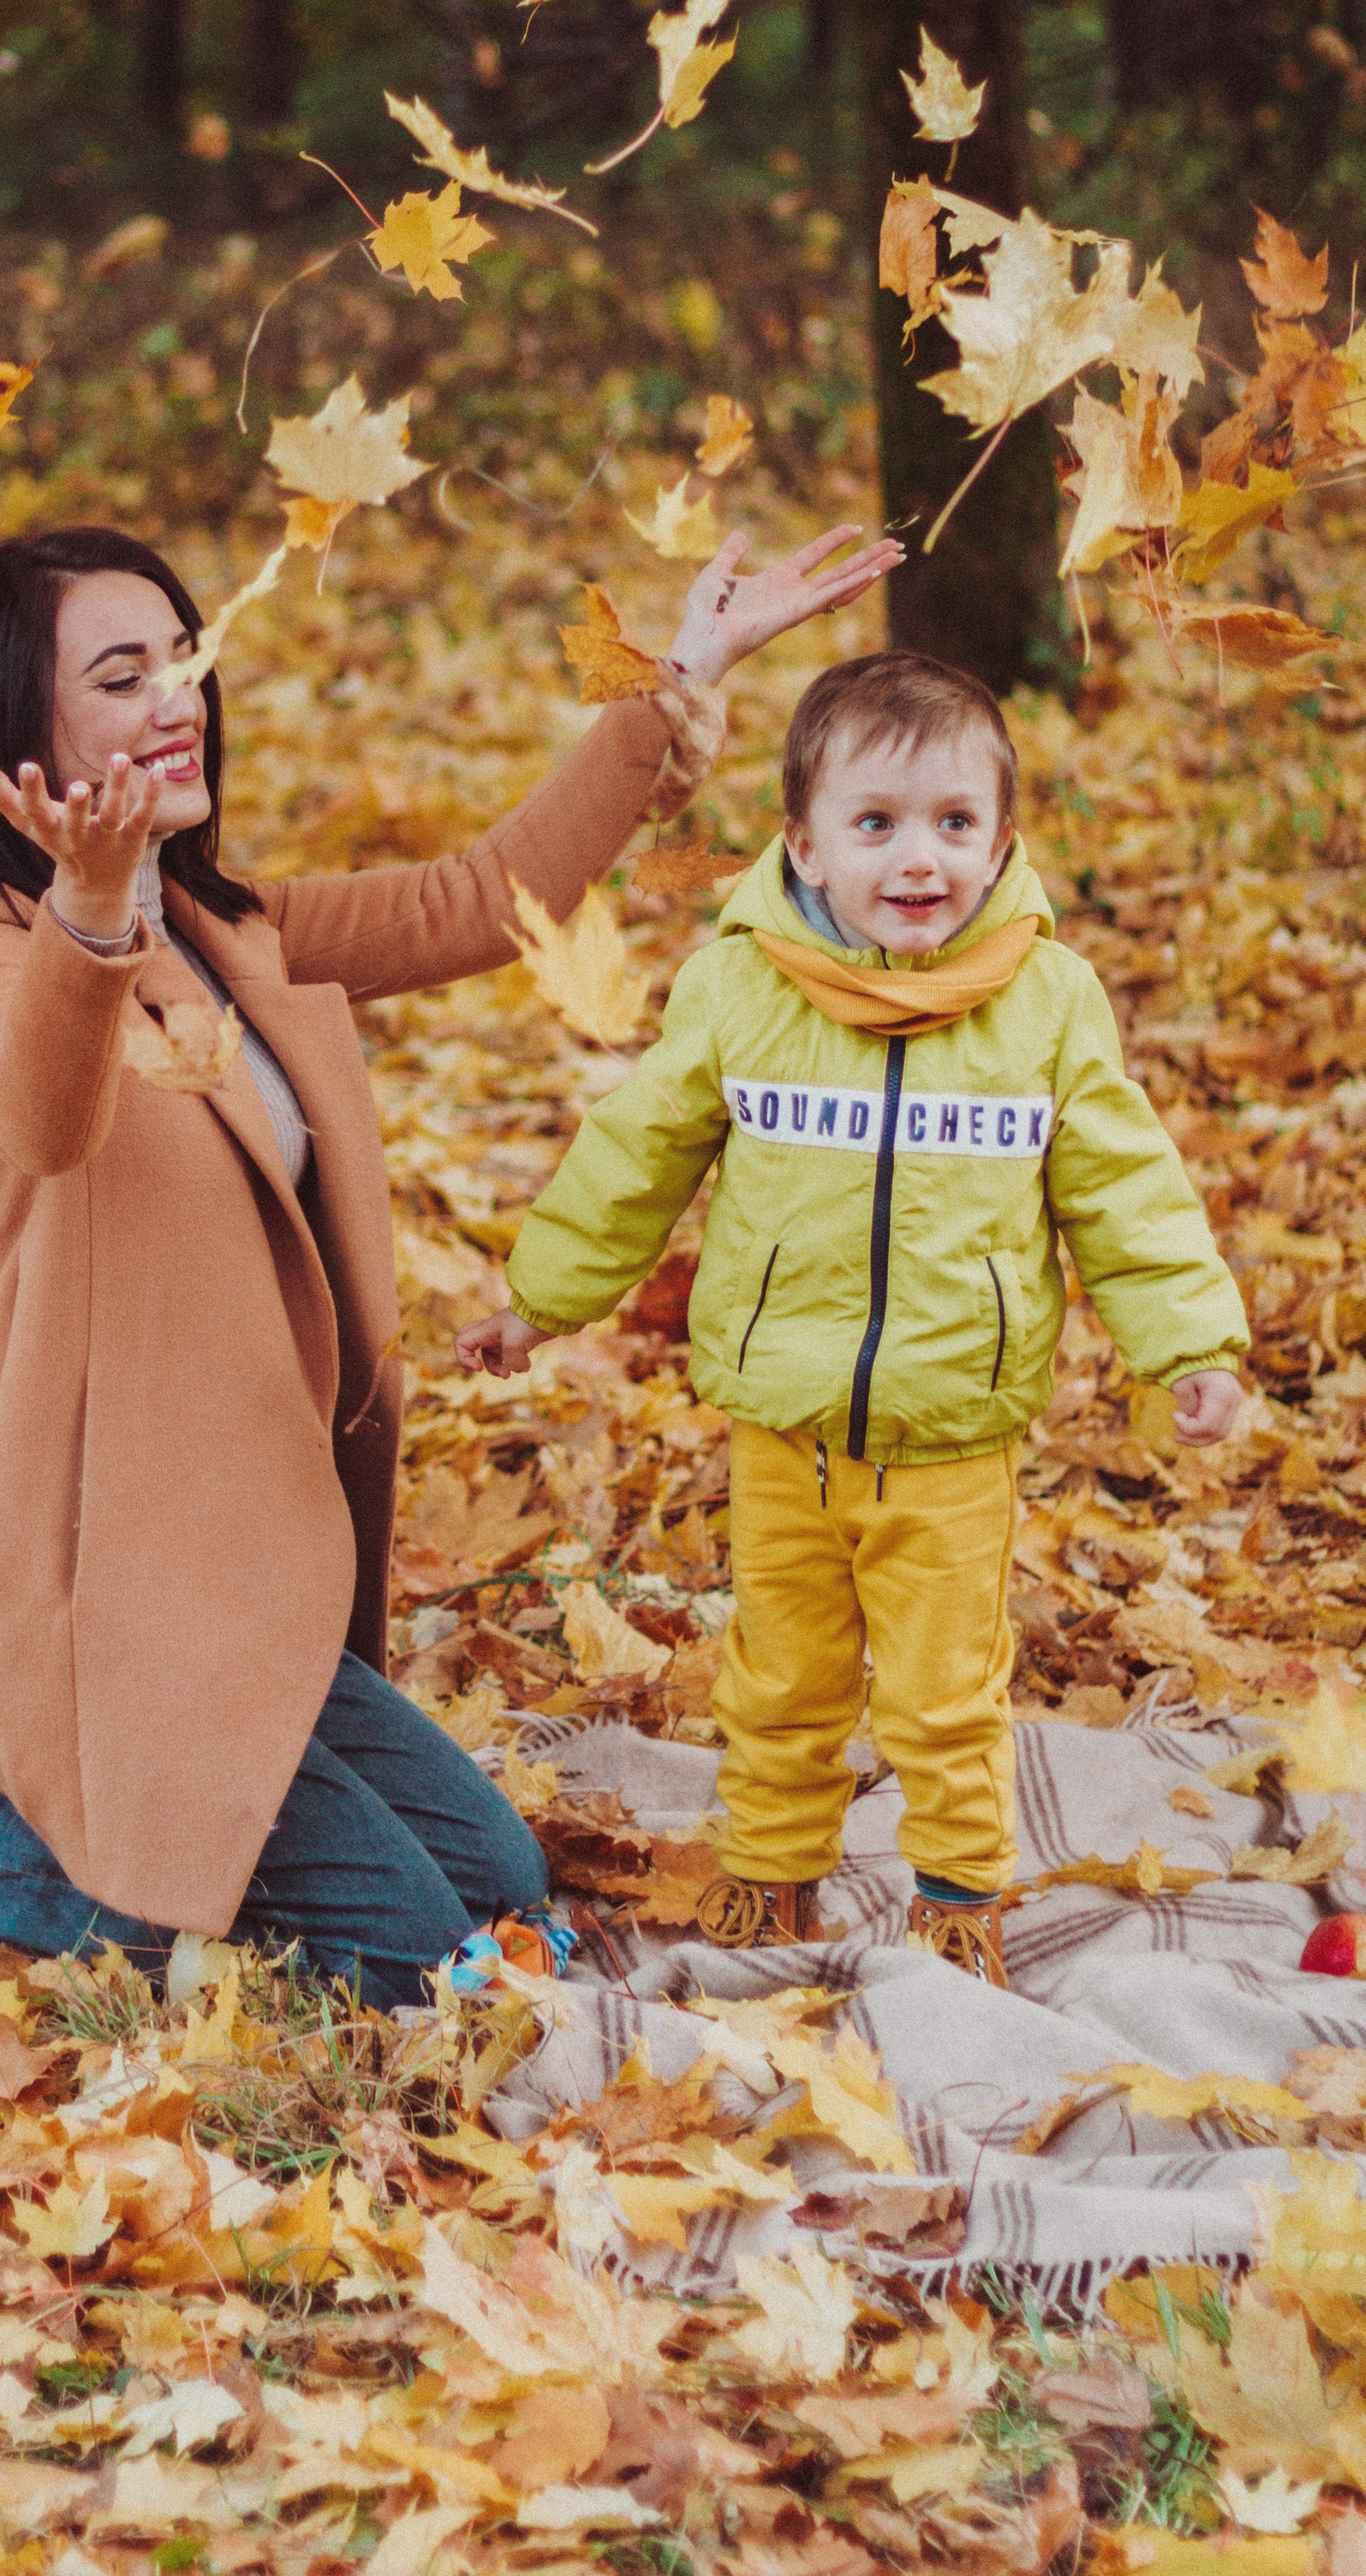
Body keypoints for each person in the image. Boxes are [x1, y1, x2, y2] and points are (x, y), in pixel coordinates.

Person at [0, 515, 901, 2001]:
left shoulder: (229, 929)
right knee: (411, 1958)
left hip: (221, 1573)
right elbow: (41, 1110)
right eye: (122, 674)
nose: (180, 697)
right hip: (75, 1560)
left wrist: (679, 675)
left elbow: (484, 897)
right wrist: (89, 908)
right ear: (8, 734)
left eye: (187, 658)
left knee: (495, 1879)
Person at [456, 649, 1249, 1989]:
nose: (918, 857)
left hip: (950, 1439)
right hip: (787, 1427)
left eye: (953, 823)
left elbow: (1128, 1186)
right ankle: (773, 1875)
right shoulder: (742, 992)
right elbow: (636, 1151)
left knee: (946, 1691)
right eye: (876, 825)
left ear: (1002, 844)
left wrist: (1192, 1344)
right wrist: (538, 1304)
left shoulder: (1047, 1008)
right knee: (779, 1674)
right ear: (805, 848)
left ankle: (956, 1897)